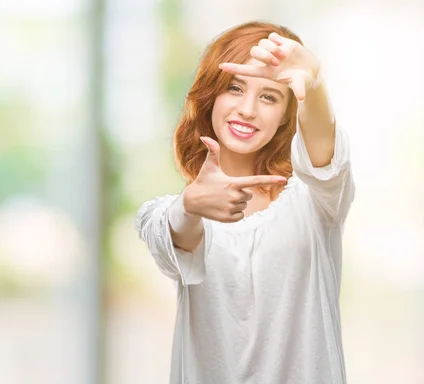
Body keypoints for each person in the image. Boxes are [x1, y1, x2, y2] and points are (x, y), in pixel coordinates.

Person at [135, 20, 355, 384]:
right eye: (234, 88)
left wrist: (313, 86)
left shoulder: (316, 202)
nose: (248, 109)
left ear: (287, 115)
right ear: (210, 97)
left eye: (269, 96)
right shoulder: (176, 212)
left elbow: (326, 155)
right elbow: (175, 236)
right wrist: (189, 206)